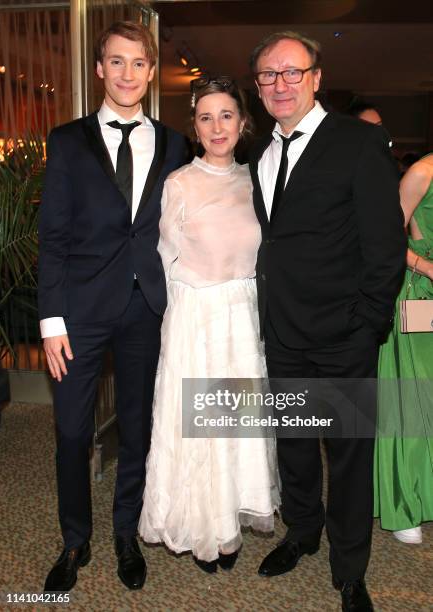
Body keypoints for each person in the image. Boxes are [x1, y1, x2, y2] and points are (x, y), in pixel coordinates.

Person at [248, 31, 406, 611]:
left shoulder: (360, 142)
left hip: (345, 334)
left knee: (347, 454)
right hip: (282, 332)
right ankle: (301, 533)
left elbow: (384, 246)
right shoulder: (256, 155)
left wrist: (367, 325)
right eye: (268, 75)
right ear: (258, 87)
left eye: (292, 72)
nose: (281, 84)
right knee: (292, 444)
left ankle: (350, 568)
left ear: (317, 77)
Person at [38, 21, 186, 592]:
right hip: (76, 314)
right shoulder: (67, 140)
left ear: (151, 72)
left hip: (145, 308)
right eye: (116, 62)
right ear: (100, 69)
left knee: (137, 429)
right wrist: (51, 321)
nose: (128, 73)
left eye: (139, 63)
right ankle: (75, 540)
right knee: (72, 433)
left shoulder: (175, 144)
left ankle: (128, 531)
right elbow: (53, 236)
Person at [138, 77, 279, 573]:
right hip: (194, 319)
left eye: (226, 116)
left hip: (241, 320)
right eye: (205, 117)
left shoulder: (257, 180)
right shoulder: (178, 183)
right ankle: (201, 526)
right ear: (194, 128)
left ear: (243, 123)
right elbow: (163, 257)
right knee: (195, 430)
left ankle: (228, 523)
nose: (216, 127)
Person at [374, 154, 433, 544]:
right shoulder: (423, 172)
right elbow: (384, 237)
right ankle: (405, 501)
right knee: (413, 401)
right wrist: (426, 267)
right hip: (420, 297)